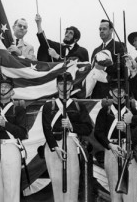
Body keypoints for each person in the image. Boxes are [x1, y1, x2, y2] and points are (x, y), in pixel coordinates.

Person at [42, 72, 92, 202]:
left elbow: (87, 128)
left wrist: (71, 126)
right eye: (61, 84)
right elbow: (46, 128)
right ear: (57, 86)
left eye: (68, 84)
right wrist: (54, 147)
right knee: (57, 182)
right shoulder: (49, 105)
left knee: (72, 182)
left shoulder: (77, 105)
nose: (64, 87)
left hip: (71, 143)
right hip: (53, 145)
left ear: (71, 86)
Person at [94, 79, 137, 202]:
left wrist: (126, 130)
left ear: (125, 93)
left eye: (122, 91)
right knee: (114, 192)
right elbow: (98, 132)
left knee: (131, 193)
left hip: (127, 149)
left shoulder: (132, 111)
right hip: (111, 150)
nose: (119, 94)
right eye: (115, 91)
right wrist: (110, 146)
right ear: (110, 92)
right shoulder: (104, 111)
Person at [91, 19, 125, 99]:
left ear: (111, 30)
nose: (101, 31)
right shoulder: (96, 50)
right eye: (100, 29)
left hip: (112, 91)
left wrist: (105, 67)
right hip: (96, 92)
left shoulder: (119, 46)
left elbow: (122, 66)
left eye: (104, 29)